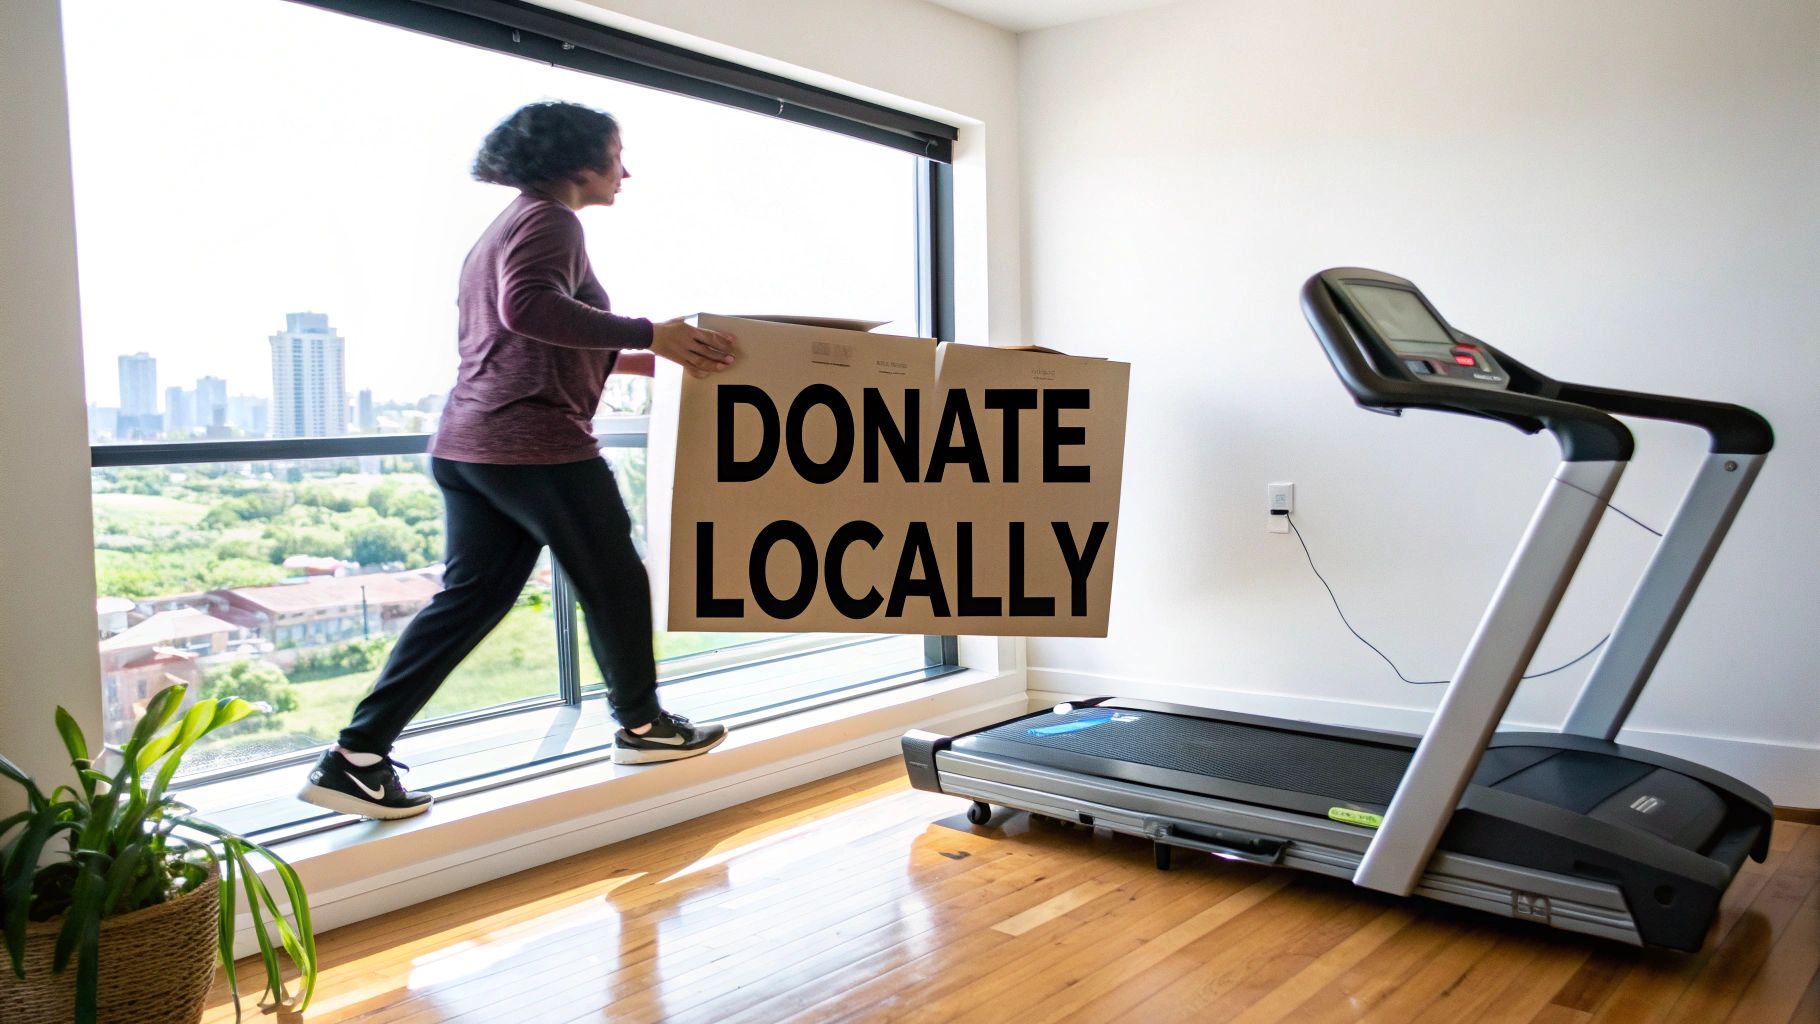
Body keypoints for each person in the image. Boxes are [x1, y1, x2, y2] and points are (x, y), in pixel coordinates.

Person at [300, 101, 738, 820]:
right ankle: (643, 726)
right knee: (618, 582)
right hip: (532, 444)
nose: (624, 171)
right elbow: (528, 309)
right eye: (615, 154)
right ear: (578, 161)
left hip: (471, 445)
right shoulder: (550, 219)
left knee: (470, 602)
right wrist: (652, 333)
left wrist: (635, 358)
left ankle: (355, 758)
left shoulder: (509, 224)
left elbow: (522, 336)